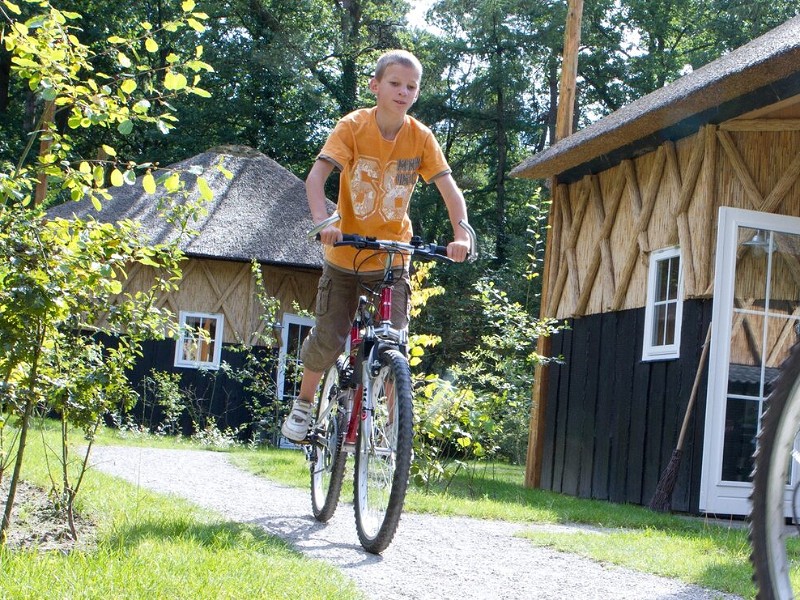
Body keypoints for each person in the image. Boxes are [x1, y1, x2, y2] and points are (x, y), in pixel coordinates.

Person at [281, 49, 471, 443]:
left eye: (411, 87)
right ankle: (303, 403)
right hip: (345, 255)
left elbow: (450, 192)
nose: (403, 92)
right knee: (331, 335)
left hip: (392, 256)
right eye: (395, 83)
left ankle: (393, 427)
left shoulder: (420, 137)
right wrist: (326, 223)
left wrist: (462, 235)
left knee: (393, 339)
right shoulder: (352, 127)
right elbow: (315, 180)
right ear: (375, 86)